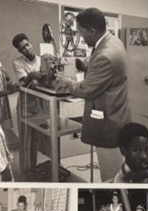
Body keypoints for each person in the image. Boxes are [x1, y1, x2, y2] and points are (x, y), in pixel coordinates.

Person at [54, 8, 131, 180]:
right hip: (117, 115)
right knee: (115, 171)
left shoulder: (106, 55)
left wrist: (68, 84)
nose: (80, 37)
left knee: (111, 177)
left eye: (81, 32)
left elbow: (87, 89)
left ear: (93, 31)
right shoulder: (112, 41)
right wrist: (86, 66)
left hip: (109, 125)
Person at [11, 33, 52, 176]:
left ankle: (33, 169)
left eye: (27, 45)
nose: (27, 49)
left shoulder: (43, 60)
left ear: (31, 43)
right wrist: (31, 75)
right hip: (26, 105)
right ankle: (25, 172)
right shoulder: (18, 62)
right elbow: (23, 82)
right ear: (19, 51)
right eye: (23, 48)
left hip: (40, 105)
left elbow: (48, 81)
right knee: (25, 142)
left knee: (36, 140)